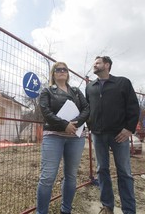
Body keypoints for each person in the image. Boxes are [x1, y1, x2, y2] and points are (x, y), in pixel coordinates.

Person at [85, 56, 140, 214]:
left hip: (119, 135)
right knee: (102, 170)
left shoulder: (123, 83)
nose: (94, 65)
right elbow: (87, 109)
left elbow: (133, 107)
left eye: (97, 63)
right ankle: (107, 206)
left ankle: (129, 210)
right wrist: (89, 127)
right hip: (98, 135)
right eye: (94, 63)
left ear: (107, 65)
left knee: (124, 172)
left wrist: (129, 129)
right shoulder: (90, 87)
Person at [36, 62, 90, 214]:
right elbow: (46, 111)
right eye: (58, 69)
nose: (61, 71)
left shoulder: (76, 91)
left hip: (76, 138)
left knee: (71, 176)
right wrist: (64, 124)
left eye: (64, 69)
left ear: (67, 73)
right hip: (54, 136)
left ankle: (66, 210)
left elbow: (86, 108)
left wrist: (76, 123)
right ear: (53, 73)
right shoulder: (47, 91)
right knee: (47, 177)